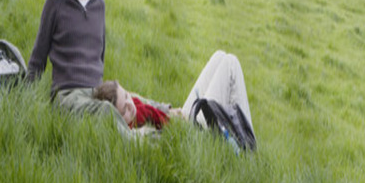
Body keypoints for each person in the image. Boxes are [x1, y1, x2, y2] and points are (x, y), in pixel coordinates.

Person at [26, 0, 127, 129]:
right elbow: (38, 56)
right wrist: (24, 100)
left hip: (96, 93)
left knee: (131, 102)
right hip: (67, 95)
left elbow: (100, 57)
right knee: (105, 111)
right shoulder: (56, 0)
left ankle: (174, 114)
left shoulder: (99, 5)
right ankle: (140, 143)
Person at [92, 50, 253, 131]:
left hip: (182, 119)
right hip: (192, 133)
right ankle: (248, 146)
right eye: (125, 109)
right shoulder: (133, 133)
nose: (130, 104)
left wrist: (170, 111)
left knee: (220, 56)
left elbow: (146, 105)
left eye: (126, 95)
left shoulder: (138, 109)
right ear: (117, 118)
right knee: (230, 64)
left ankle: (238, 135)